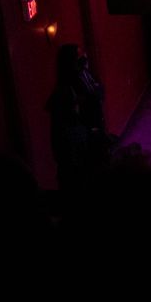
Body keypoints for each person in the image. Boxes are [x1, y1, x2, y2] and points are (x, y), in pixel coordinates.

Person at [45, 44, 110, 191]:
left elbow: (97, 95)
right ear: (70, 63)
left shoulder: (83, 76)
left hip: (88, 141)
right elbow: (66, 132)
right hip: (79, 153)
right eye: (79, 57)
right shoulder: (64, 92)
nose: (84, 59)